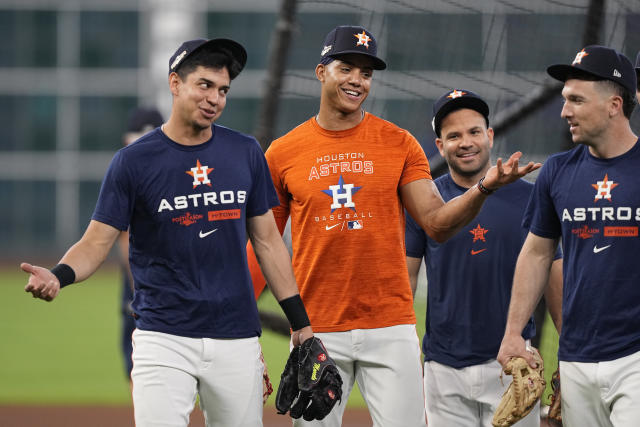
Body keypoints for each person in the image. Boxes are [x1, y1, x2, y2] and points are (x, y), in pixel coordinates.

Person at [246, 25, 540, 427]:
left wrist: (483, 188)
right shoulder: (283, 152)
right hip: (319, 328)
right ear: (321, 72)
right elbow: (263, 244)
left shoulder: (398, 143)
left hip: (390, 325)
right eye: (346, 68)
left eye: (366, 73)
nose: (356, 80)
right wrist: (249, 326)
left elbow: (436, 223)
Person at [22, 38, 317, 427]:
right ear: (175, 83)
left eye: (223, 89)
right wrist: (58, 275)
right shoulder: (133, 162)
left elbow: (267, 243)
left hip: (235, 336)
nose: (215, 98)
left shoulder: (244, 152)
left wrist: (301, 323)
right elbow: (95, 242)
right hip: (163, 337)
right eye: (205, 85)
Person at [497, 45, 640, 427]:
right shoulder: (557, 172)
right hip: (576, 356)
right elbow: (537, 254)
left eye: (576, 100)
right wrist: (514, 333)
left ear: (614, 104)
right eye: (564, 100)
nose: (565, 111)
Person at [405, 89, 563, 426]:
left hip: (513, 363)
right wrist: (405, 355)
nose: (466, 142)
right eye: (453, 136)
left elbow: (554, 276)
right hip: (443, 368)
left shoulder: (530, 196)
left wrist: (570, 356)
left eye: (474, 131)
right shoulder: (427, 201)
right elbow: (405, 282)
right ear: (439, 145)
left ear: (489, 135)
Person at [118, 107, 164, 381]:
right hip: (141, 276)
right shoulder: (125, 173)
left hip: (166, 275)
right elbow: (123, 236)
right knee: (138, 365)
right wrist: (139, 288)